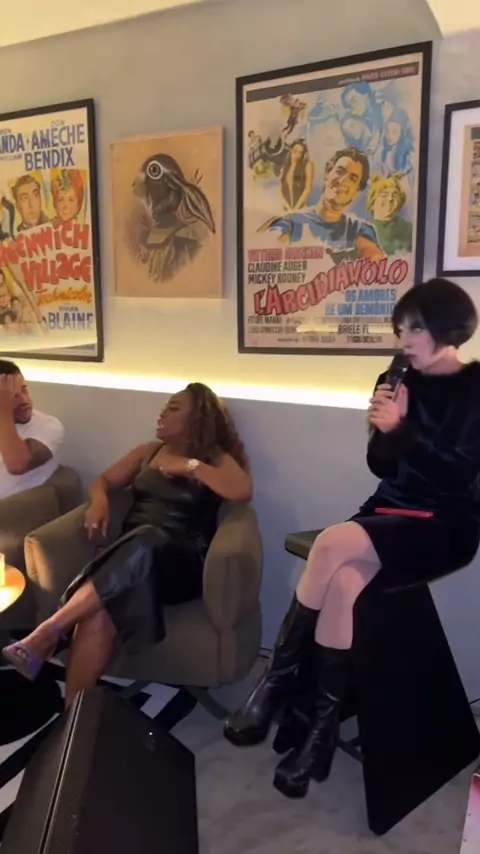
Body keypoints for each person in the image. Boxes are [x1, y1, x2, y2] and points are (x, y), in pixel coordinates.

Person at [224, 278, 480, 800]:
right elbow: (379, 466)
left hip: (445, 523)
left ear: (448, 329)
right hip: (386, 512)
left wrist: (403, 430)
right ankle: (319, 738)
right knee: (342, 585)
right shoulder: (396, 377)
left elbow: (459, 478)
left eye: (414, 329)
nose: (403, 339)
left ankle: (274, 683)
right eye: (400, 329)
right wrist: (385, 430)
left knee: (330, 545)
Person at [3, 382, 252, 709]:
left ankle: (50, 631)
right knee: (99, 613)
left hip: (181, 564)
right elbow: (103, 481)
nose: (162, 412)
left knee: (146, 536)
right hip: (130, 560)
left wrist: (190, 467)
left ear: (198, 417)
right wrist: (99, 502)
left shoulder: (213, 457)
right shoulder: (149, 451)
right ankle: (74, 719)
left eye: (173, 407)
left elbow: (241, 491)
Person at [260, 147, 384, 264]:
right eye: (339, 171)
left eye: (353, 178)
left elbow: (376, 263)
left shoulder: (359, 229)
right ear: (327, 175)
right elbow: (268, 250)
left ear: (357, 191)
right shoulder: (291, 223)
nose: (343, 181)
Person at [0, 359, 64, 499]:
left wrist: (3, 410)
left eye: (24, 389)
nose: (24, 400)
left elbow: (17, 465)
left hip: (13, 507)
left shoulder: (48, 425)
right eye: (13, 395)